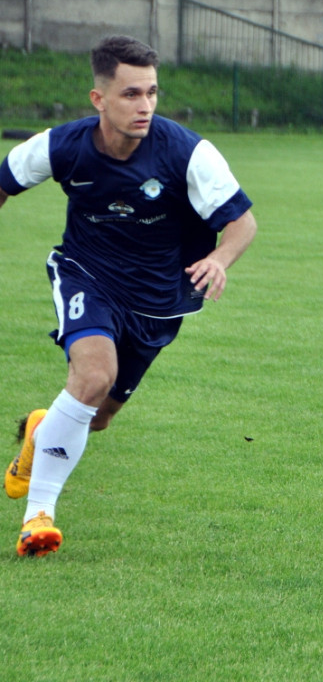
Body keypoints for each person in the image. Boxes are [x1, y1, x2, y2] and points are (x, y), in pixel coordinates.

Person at [0, 35, 257, 557]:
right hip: (87, 275)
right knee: (94, 376)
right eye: (131, 94)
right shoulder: (61, 146)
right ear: (99, 99)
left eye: (152, 93)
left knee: (98, 415)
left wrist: (218, 259)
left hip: (159, 301)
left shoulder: (188, 151)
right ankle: (37, 519)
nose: (145, 106)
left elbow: (242, 223)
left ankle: (40, 429)